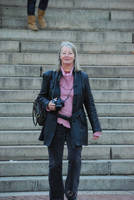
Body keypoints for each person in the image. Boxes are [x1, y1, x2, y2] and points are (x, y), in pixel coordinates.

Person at [38, 41, 102, 200]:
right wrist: (49, 104)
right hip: (55, 124)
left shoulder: (82, 77)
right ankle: (57, 197)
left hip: (76, 124)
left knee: (75, 161)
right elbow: (41, 97)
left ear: (75, 56)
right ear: (59, 56)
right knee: (54, 165)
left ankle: (71, 193)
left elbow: (89, 103)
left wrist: (96, 127)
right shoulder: (49, 75)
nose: (67, 55)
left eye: (70, 53)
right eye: (64, 52)